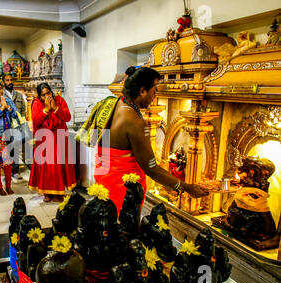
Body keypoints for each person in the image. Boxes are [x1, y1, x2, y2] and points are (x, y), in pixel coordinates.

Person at [77, 66, 209, 213]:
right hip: (121, 191)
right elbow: (151, 169)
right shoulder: (134, 121)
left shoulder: (112, 104)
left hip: (103, 181)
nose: (155, 95)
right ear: (142, 91)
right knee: (122, 229)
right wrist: (186, 187)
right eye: (154, 90)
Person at [28, 82, 77, 202]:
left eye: (48, 93)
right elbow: (36, 120)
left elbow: (67, 117)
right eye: (43, 95)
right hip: (45, 138)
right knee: (47, 166)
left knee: (60, 165)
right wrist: (46, 109)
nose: (46, 97)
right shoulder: (36, 103)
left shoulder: (60, 100)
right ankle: (46, 192)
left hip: (60, 136)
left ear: (51, 92)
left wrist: (55, 108)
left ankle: (60, 192)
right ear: (39, 96)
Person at [2, 73, 27, 180]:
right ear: (3, 82)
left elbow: (23, 110)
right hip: (5, 126)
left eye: (11, 80)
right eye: (7, 80)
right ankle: (7, 170)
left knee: (16, 148)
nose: (10, 82)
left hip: (17, 126)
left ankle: (15, 171)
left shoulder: (19, 95)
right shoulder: (1, 95)